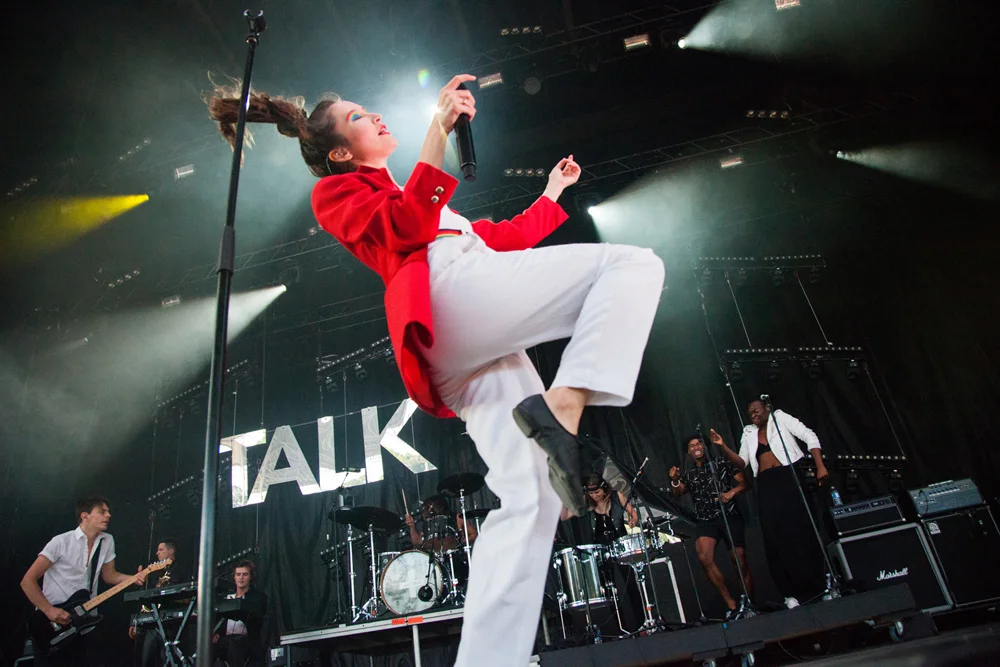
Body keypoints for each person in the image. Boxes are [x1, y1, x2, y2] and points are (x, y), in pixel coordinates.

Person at [208, 73, 664, 667]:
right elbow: (406, 226)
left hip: (469, 333)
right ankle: (566, 403)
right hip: (448, 302)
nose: (375, 117)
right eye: (358, 117)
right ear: (340, 153)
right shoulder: (337, 193)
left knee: (531, 496)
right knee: (633, 265)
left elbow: (498, 240)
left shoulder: (422, 196)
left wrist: (552, 193)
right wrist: (437, 129)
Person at [712, 400, 829, 608]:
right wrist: (723, 447)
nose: (753, 415)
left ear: (766, 408)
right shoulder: (748, 432)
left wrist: (820, 466)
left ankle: (820, 586)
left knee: (804, 530)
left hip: (790, 476)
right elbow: (742, 462)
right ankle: (789, 593)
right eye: (750, 413)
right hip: (767, 484)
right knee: (775, 537)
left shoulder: (780, 418)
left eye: (756, 410)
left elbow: (808, 435)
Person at [20, 496, 148, 667]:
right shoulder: (61, 542)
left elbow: (109, 575)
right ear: (84, 516)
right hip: (51, 624)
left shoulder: (106, 541)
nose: (108, 515)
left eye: (108, 512)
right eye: (102, 512)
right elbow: (27, 581)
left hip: (82, 623)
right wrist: (49, 610)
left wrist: (133, 578)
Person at [669, 433, 751, 615]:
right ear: (689, 452)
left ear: (705, 446)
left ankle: (748, 603)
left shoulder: (721, 463)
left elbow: (745, 483)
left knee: (739, 560)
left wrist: (730, 493)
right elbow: (678, 493)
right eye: (692, 446)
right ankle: (731, 604)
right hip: (706, 520)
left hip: (729, 514)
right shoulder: (689, 473)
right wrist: (674, 480)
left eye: (699, 443)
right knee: (704, 556)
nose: (696, 447)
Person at [129, 538, 191, 667]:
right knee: (146, 659)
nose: (157, 553)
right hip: (153, 621)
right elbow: (145, 597)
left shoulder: (181, 570)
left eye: (161, 550)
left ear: (171, 551)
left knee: (167, 659)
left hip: (172, 623)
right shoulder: (155, 572)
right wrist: (135, 622)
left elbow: (187, 596)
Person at [213, 560, 268, 667]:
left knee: (234, 644)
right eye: (238, 574)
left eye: (245, 574)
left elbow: (257, 618)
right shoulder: (226, 597)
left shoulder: (258, 597)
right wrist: (216, 633)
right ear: (234, 577)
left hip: (246, 640)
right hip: (225, 639)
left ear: (251, 577)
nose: (241, 578)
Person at [405, 495, 477, 552]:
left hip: (457, 556)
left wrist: (462, 542)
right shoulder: (429, 523)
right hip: (436, 561)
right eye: (428, 507)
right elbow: (417, 543)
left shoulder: (457, 517)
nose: (429, 510)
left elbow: (474, 534)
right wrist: (412, 527)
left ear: (441, 506)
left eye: (431, 506)